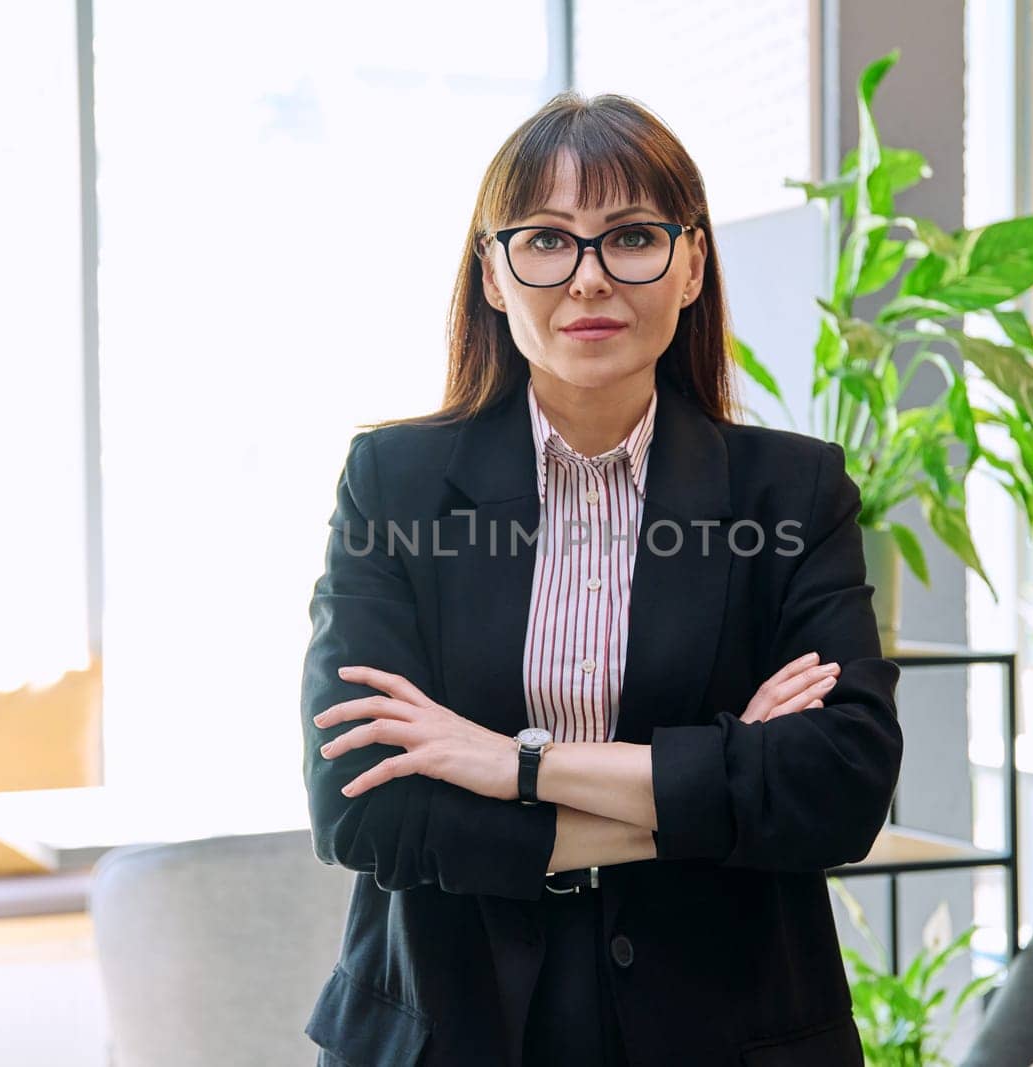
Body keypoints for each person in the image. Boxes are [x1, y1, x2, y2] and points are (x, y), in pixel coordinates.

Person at [301, 89, 902, 1067]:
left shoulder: (790, 490)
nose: (587, 279)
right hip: (452, 1028)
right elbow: (362, 802)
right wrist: (710, 787)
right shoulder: (395, 482)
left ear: (691, 262)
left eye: (629, 237)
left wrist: (512, 763)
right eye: (544, 240)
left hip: (726, 1028)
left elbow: (838, 788)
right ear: (492, 272)